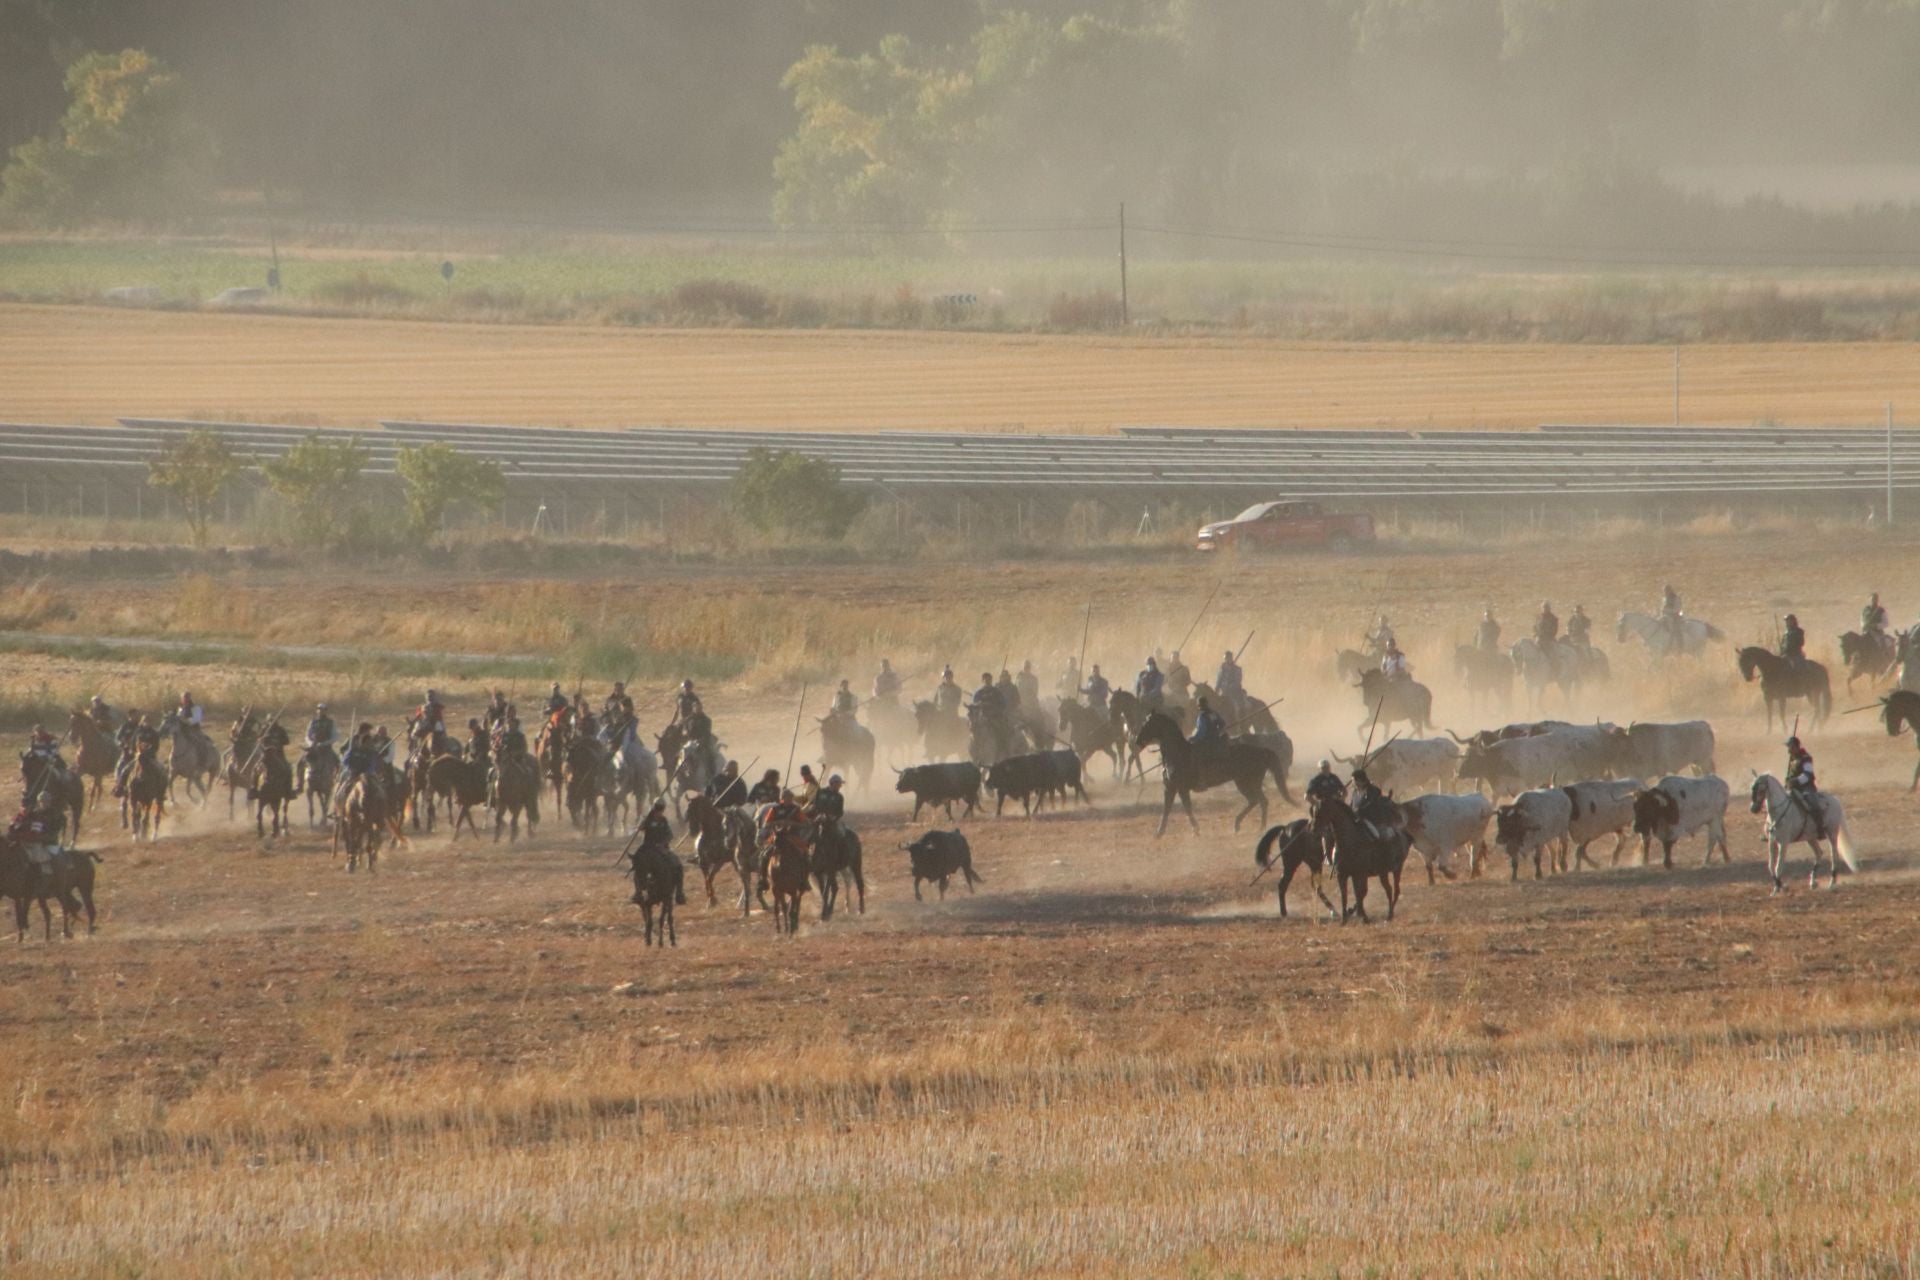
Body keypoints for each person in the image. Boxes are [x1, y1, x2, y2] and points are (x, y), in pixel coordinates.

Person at [1785, 735, 1825, 839]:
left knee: (1813, 804)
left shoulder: (1806, 758)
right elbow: (1791, 774)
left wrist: (1795, 781)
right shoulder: (1792, 759)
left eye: (1789, 747)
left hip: (1806, 787)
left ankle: (1820, 829)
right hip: (1793, 788)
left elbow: (1808, 774)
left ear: (1795, 747)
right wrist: (1788, 780)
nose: (1788, 750)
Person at [1863, 592, 1893, 660]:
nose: (1873, 601)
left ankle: (1885, 660)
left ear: (1877, 600)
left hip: (1878, 633)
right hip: (1866, 632)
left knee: (1883, 645)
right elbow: (1862, 620)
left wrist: (1875, 626)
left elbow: (1886, 623)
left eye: (1875, 599)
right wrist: (1864, 625)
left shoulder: (1881, 610)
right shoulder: (1865, 610)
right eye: (1872, 599)